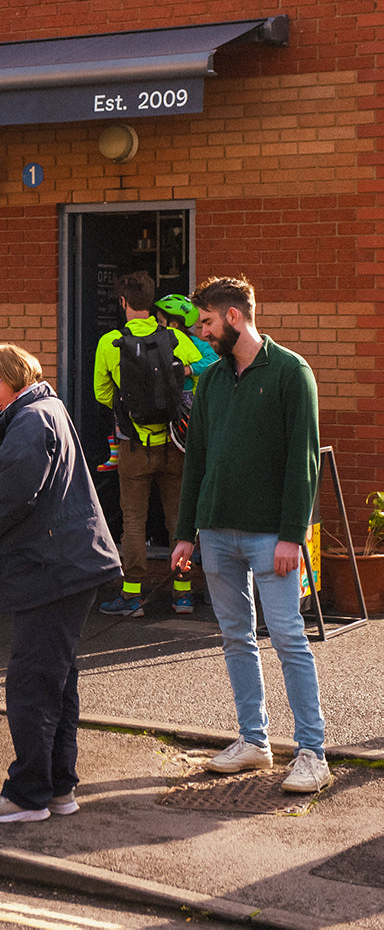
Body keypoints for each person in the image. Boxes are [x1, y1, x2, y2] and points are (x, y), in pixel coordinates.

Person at [171, 275, 331, 794]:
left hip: (271, 538)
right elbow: (195, 460)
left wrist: (292, 535)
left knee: (288, 638)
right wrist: (185, 534)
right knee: (236, 639)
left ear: (234, 317)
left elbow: (303, 462)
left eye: (208, 322)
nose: (201, 331)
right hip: (216, 533)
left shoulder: (290, 372)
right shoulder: (212, 380)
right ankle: (253, 742)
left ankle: (312, 751)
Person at [0, 344, 121, 823]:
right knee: (57, 680)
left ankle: (27, 795)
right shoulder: (48, 407)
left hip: (49, 567)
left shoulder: (31, 419)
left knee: (32, 683)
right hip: (67, 565)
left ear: (12, 378)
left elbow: (16, 493)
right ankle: (57, 789)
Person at [93, 271, 201, 616]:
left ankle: (131, 597)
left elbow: (101, 392)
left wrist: (126, 407)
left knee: (134, 521)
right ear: (151, 304)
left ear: (123, 302)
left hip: (134, 446)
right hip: (175, 444)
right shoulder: (173, 337)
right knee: (178, 521)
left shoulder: (110, 342)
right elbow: (204, 366)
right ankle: (182, 594)